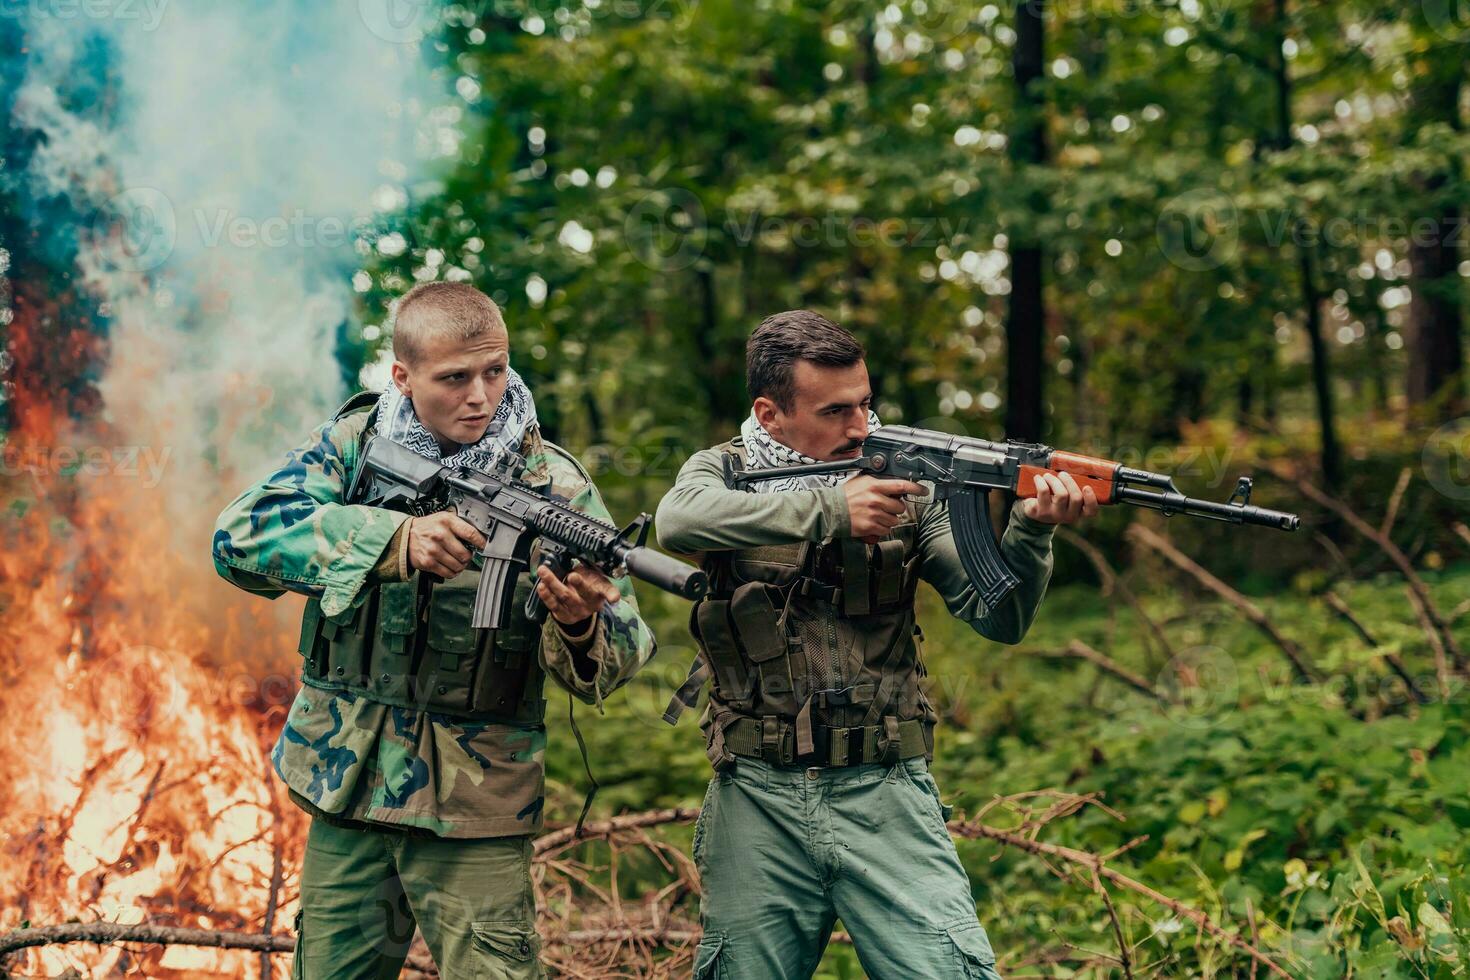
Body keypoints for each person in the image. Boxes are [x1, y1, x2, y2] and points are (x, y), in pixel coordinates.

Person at [212, 281, 657, 979]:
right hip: (347, 779)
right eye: (454, 378)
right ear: (403, 376)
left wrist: (578, 623)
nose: (481, 396)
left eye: (495, 371)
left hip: (476, 802)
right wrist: (393, 540)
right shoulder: (355, 447)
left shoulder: (554, 485)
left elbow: (627, 644)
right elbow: (240, 539)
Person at [655, 310, 1097, 979]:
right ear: (769, 414)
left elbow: (997, 616)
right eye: (835, 411)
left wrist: (1032, 532)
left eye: (865, 403)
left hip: (886, 788)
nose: (861, 427)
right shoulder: (723, 470)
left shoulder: (911, 482)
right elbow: (677, 520)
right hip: (758, 795)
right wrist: (833, 510)